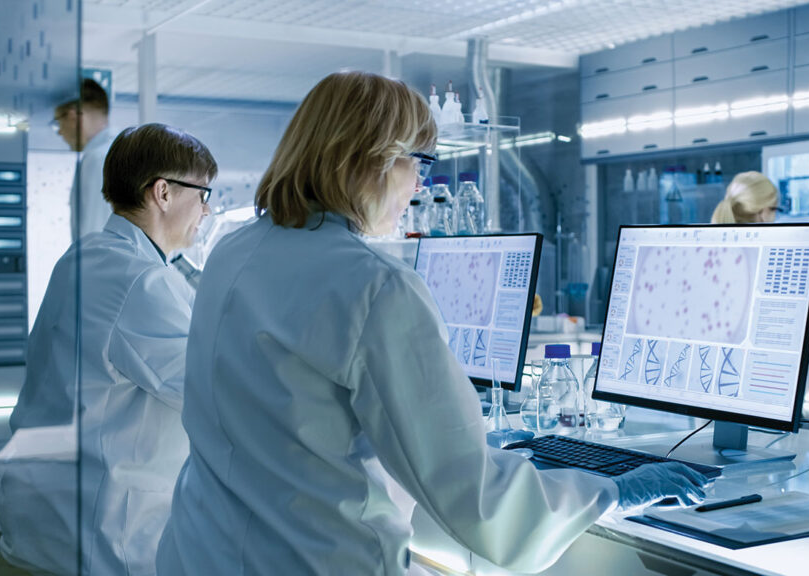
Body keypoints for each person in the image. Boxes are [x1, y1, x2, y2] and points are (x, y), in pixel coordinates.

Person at [156, 71, 707, 576]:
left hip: (201, 550)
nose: (420, 185)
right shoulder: (374, 285)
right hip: (311, 560)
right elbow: (474, 495)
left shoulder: (234, 251)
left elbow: (292, 418)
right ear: (374, 157)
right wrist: (611, 490)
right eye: (419, 161)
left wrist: (468, 438)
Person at [0, 123, 217, 576]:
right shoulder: (140, 281)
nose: (207, 211)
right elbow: (210, 390)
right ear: (163, 192)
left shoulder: (85, 255)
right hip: (107, 535)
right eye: (203, 194)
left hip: (46, 517)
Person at [710, 171, 809, 377]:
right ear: (763, 213)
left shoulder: (714, 259)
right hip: (768, 382)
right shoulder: (784, 263)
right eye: (775, 209)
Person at [52, 78, 116, 240]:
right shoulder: (118, 152)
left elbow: (92, 237)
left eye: (58, 122)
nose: (59, 132)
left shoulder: (98, 160)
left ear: (73, 116)